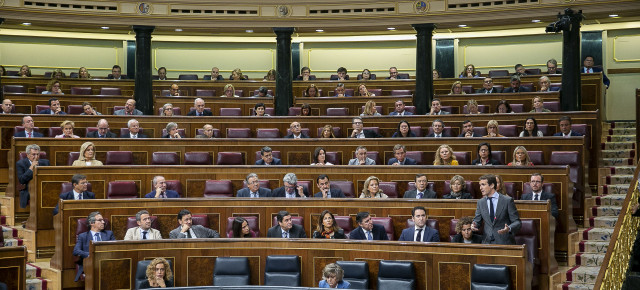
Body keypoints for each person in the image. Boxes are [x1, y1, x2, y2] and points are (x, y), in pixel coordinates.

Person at [472, 174, 521, 244]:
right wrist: (474, 225)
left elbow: (517, 222)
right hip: (487, 242)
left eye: (483, 185)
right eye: (480, 185)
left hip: (504, 242)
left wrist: (509, 228)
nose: (480, 188)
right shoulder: (480, 202)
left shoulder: (507, 200)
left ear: (492, 185)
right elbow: (477, 221)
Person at [73, 211, 115, 281]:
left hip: (107, 264)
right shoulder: (83, 236)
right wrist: (92, 255)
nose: (103, 222)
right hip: (90, 265)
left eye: (103, 220)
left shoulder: (109, 234)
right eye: (100, 220)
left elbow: (115, 248)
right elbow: (76, 251)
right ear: (92, 223)